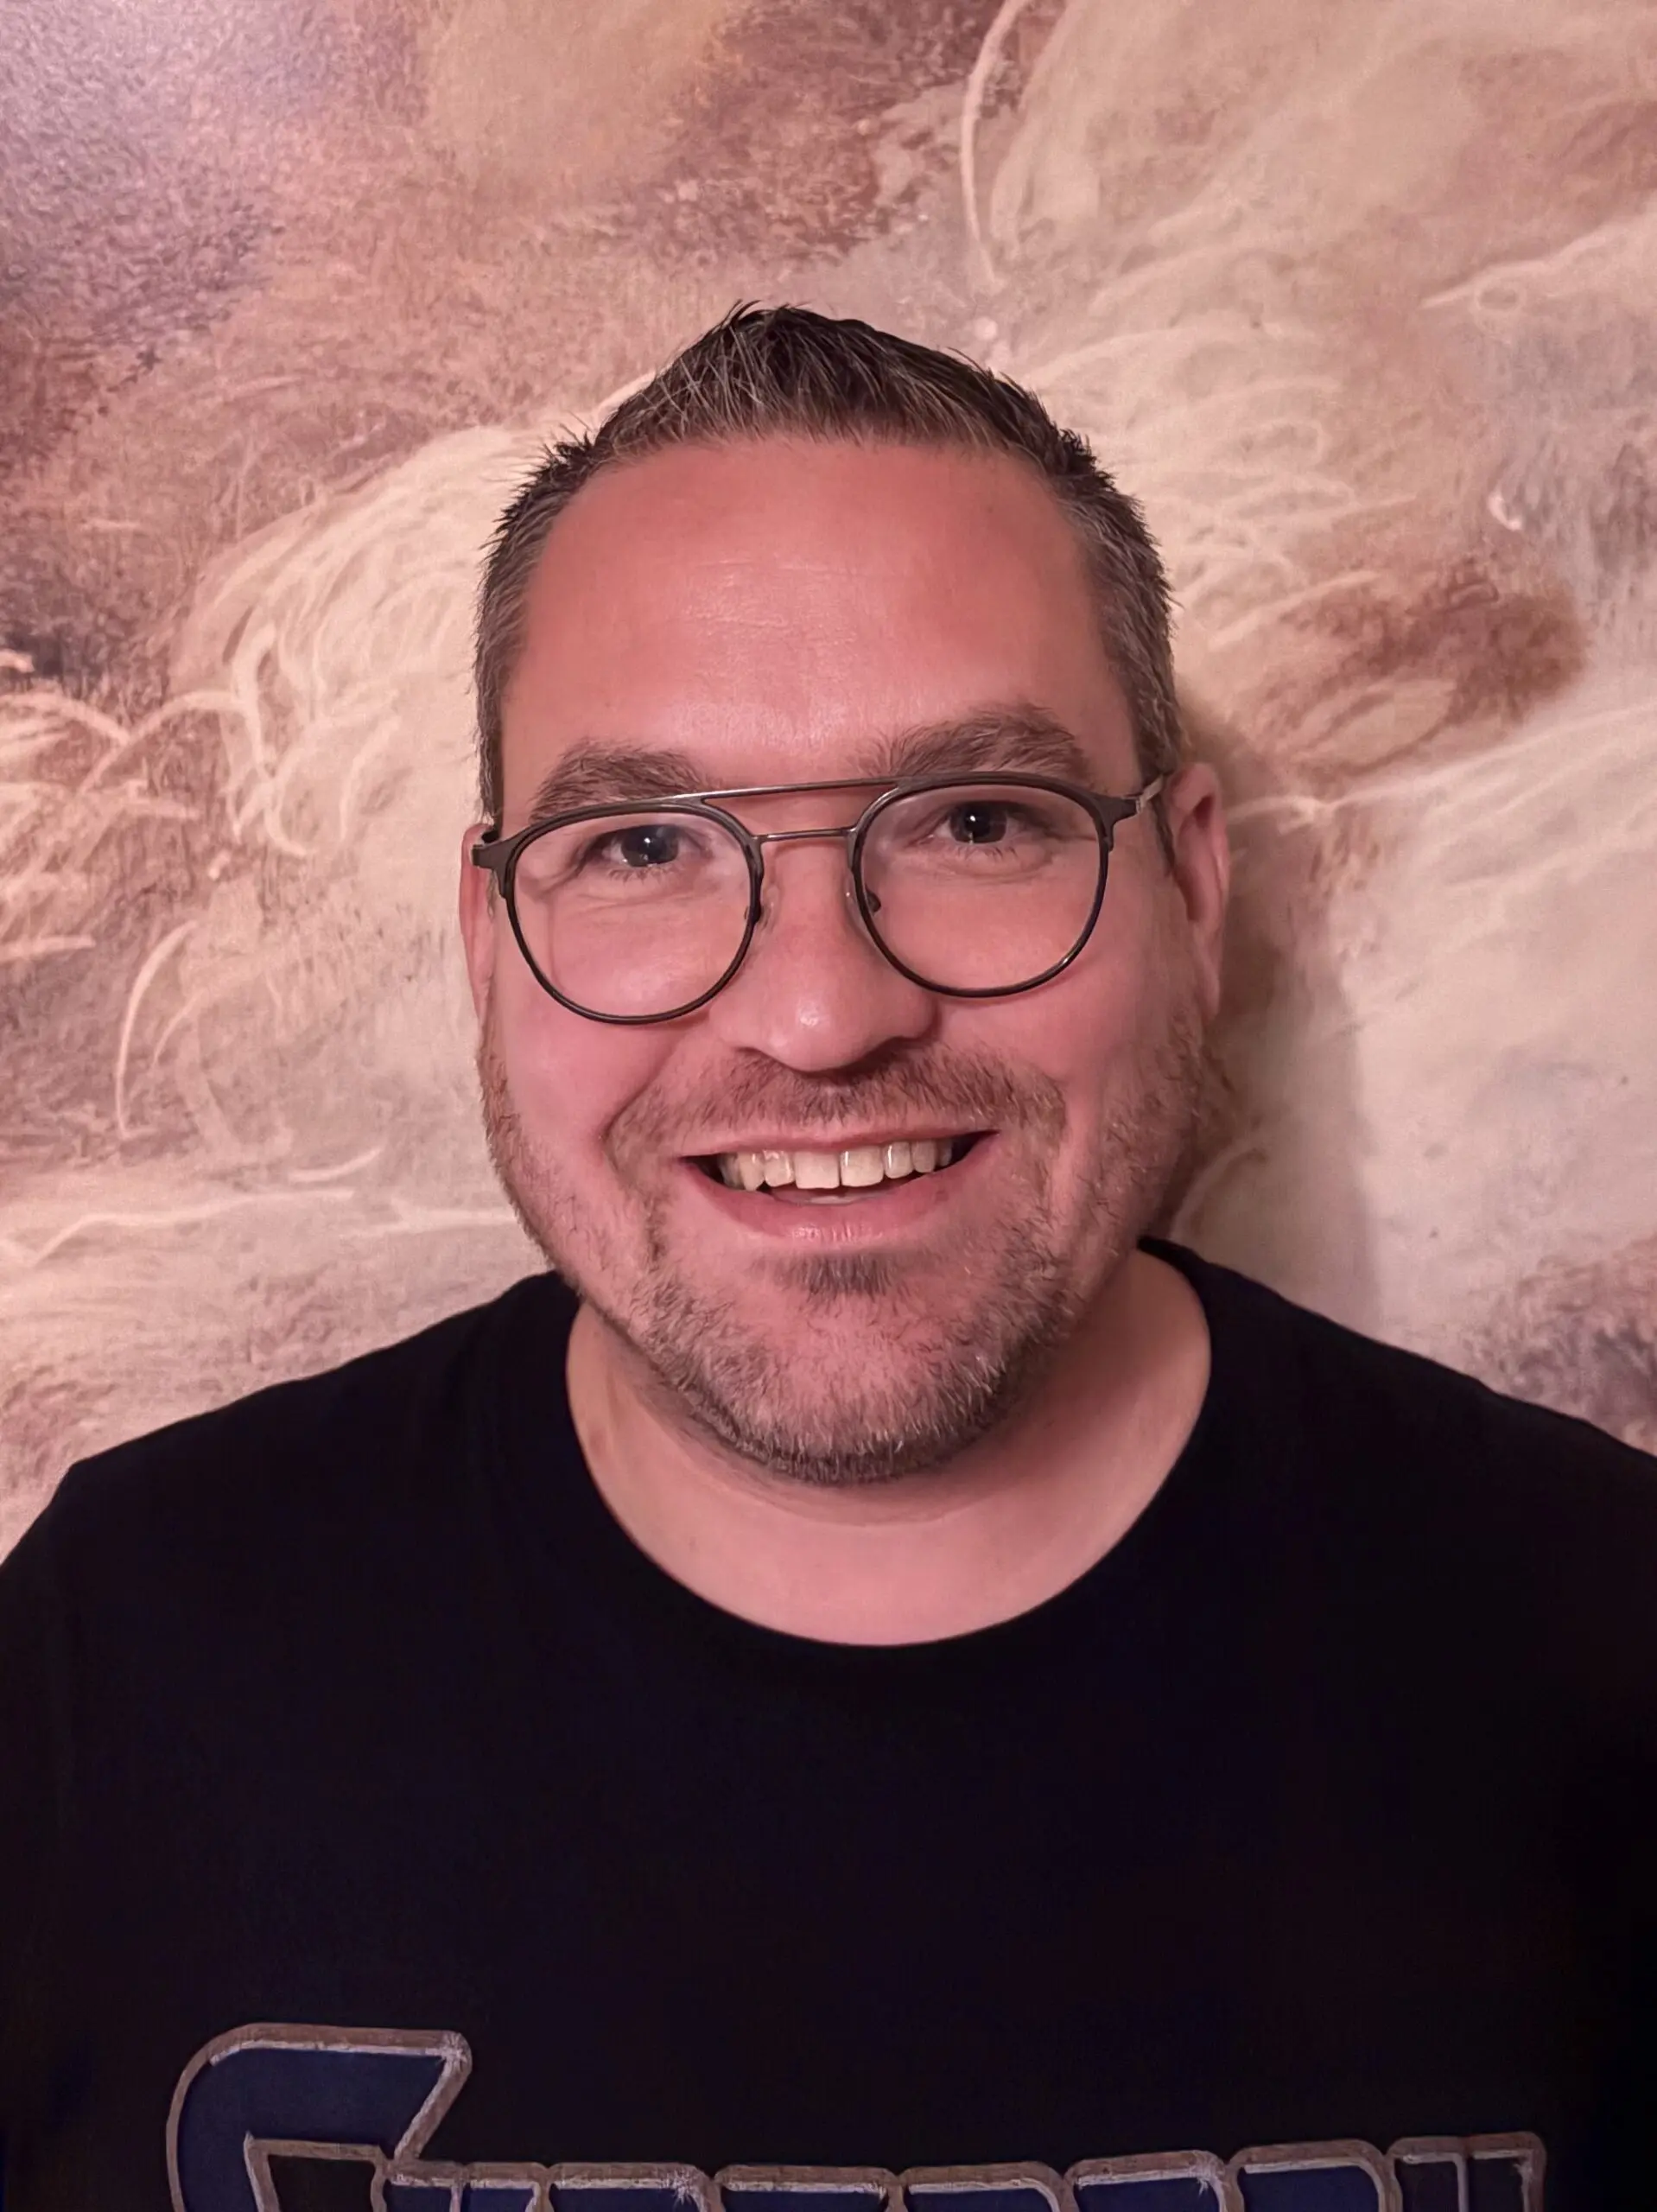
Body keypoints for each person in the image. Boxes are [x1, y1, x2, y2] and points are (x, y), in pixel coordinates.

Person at [0, 307, 1652, 2212]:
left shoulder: (1599, 1641)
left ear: (1191, 886)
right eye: (642, 847)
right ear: (486, 934)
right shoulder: (117, 1667)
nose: (816, 1012)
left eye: (974, 820)